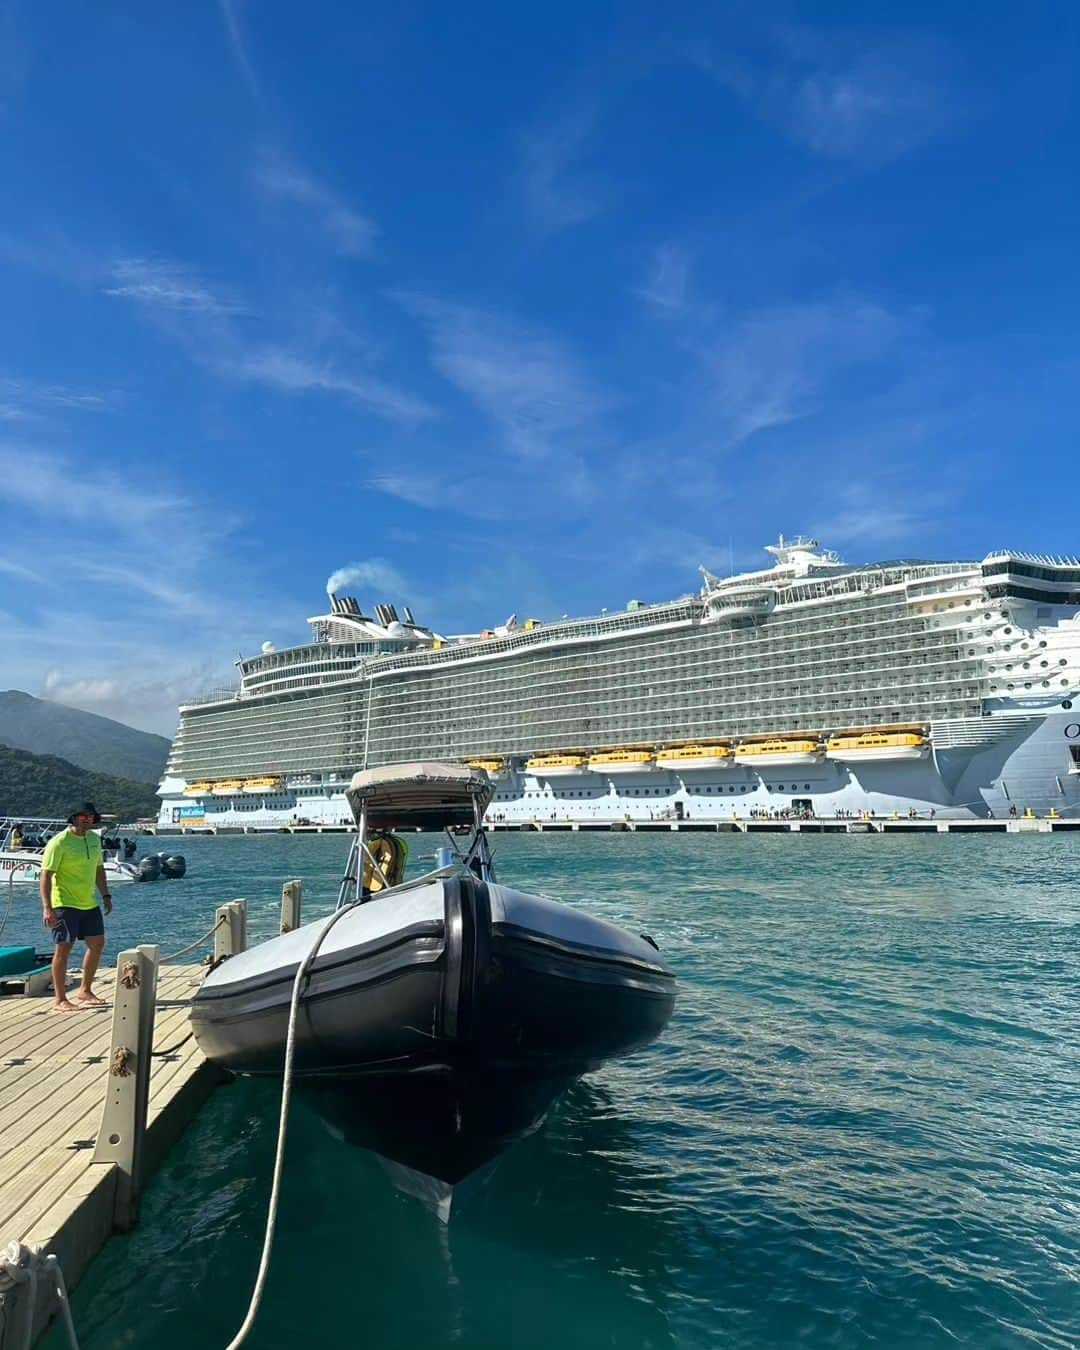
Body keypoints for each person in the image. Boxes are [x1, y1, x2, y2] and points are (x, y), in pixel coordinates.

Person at [39, 802, 113, 1013]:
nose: (87, 819)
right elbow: (46, 875)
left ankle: (85, 990)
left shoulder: (94, 839)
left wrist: (106, 895)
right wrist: (47, 907)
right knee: (63, 949)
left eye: (90, 816)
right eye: (82, 815)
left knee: (97, 944)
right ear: (73, 817)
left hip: (89, 902)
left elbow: (99, 869)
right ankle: (60, 999)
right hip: (64, 903)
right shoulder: (59, 842)